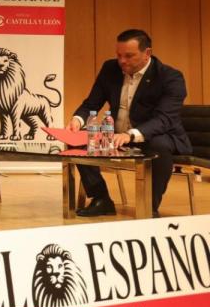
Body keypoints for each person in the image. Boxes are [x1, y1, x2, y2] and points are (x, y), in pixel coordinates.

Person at [68, 29, 191, 217]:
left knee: (159, 145)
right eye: (119, 55)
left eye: (129, 56)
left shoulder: (169, 77)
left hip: (154, 136)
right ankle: (101, 199)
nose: (122, 61)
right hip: (116, 136)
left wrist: (130, 134)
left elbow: (164, 119)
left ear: (147, 53)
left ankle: (148, 207)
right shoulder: (110, 69)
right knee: (76, 140)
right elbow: (91, 103)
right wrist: (77, 120)